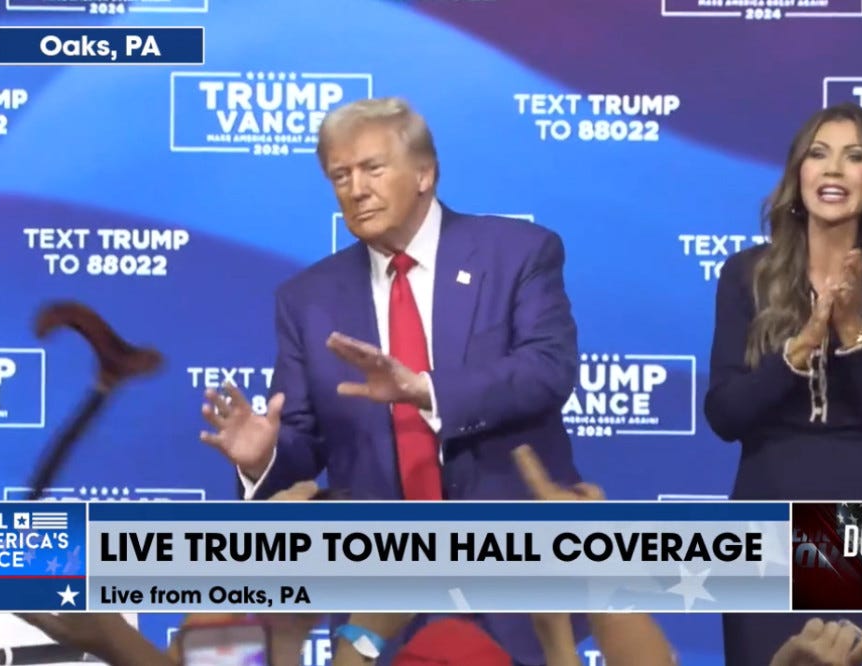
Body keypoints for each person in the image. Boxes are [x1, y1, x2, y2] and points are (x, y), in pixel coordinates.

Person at [198, 96, 585, 664]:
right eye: (340, 175)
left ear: (424, 173)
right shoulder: (309, 300)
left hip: (514, 583)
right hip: (380, 593)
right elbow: (304, 444)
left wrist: (425, 391)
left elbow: (546, 370)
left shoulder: (517, 253)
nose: (355, 188)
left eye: (372, 169)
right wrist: (262, 457)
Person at [703, 102, 862, 665]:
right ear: (797, 174)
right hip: (767, 519)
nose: (832, 169)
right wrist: (798, 350)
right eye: (818, 154)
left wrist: (853, 330)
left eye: (853, 157)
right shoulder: (747, 274)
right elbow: (725, 415)